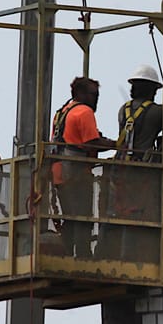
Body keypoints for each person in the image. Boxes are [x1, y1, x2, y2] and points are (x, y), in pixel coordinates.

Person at [52, 76, 115, 255]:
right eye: (93, 94)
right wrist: (115, 144)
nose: (96, 99)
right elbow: (91, 143)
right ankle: (82, 256)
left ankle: (65, 254)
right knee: (82, 217)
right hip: (75, 173)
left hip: (59, 172)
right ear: (80, 93)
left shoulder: (63, 111)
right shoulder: (84, 112)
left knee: (71, 218)